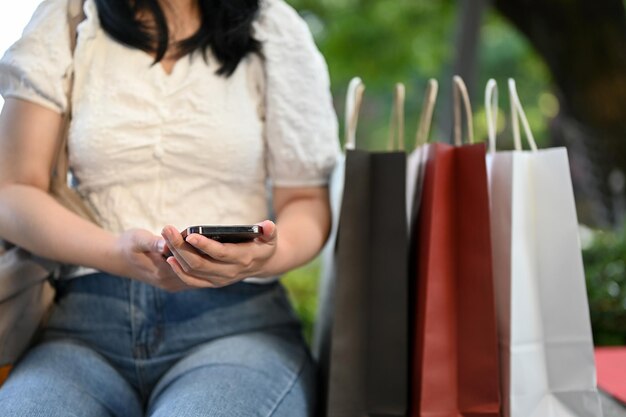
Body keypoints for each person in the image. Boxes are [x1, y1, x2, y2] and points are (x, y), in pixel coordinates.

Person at [0, 0, 339, 415]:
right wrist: (114, 253)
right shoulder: (69, 18)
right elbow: (13, 189)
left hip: (235, 328)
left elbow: (305, 200)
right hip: (81, 330)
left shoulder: (273, 28)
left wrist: (265, 256)